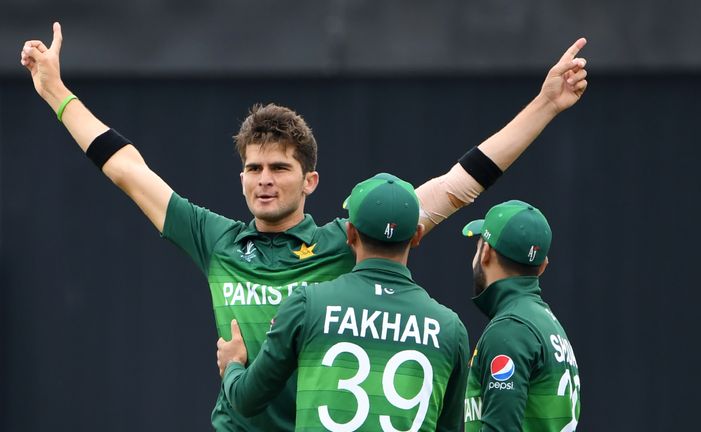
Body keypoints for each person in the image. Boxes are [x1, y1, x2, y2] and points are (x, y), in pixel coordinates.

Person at [20, 22, 588, 431]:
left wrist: (545, 104)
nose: (264, 180)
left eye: (279, 168)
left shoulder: (346, 240)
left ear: (309, 180)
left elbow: (459, 184)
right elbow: (127, 169)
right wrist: (56, 92)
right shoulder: (216, 240)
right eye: (254, 168)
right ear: (241, 177)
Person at [217, 172, 470, 431]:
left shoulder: (307, 305)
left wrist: (232, 364)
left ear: (350, 233)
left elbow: (245, 400)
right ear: (417, 235)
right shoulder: (450, 328)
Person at [461, 201, 580, 431]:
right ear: (543, 266)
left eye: (478, 247)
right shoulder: (547, 324)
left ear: (485, 252)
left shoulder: (510, 329)